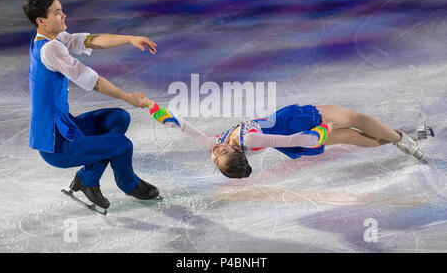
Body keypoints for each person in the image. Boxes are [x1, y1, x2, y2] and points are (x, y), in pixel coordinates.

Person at [23, 0, 159, 210]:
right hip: (55, 144)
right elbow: (92, 81)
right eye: (57, 13)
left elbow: (88, 40)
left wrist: (130, 39)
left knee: (118, 118)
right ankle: (128, 183)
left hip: (66, 125)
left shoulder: (50, 39)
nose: (64, 15)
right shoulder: (51, 49)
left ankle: (87, 178)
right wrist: (129, 97)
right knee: (122, 145)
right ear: (41, 20)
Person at [141, 97, 426, 179]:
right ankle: (401, 139)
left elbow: (181, 125)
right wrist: (325, 129)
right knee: (354, 122)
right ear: (237, 154)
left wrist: (151, 106)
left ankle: (401, 141)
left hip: (295, 128)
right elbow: (296, 142)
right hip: (299, 127)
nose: (215, 151)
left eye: (215, 157)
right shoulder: (251, 140)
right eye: (222, 155)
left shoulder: (217, 143)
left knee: (352, 136)